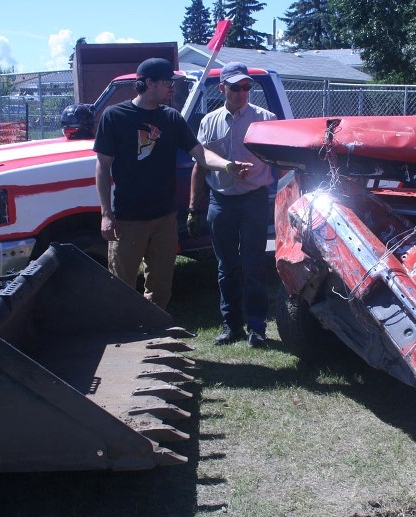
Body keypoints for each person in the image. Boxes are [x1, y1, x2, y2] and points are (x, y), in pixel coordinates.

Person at [94, 57, 251, 313]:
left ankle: (154, 334)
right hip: (127, 218)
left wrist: (227, 166)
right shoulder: (115, 116)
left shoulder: (171, 118)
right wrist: (105, 214)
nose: (172, 88)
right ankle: (123, 338)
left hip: (164, 218)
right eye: (167, 82)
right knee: (121, 285)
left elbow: (199, 153)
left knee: (161, 286)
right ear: (148, 83)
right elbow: (102, 166)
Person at [188, 62, 278, 348]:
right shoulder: (209, 121)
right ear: (222, 88)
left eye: (247, 87)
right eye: (236, 87)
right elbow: (200, 165)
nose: (242, 92)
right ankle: (231, 326)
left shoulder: (267, 119)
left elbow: (282, 163)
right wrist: (193, 208)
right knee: (226, 266)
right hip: (221, 202)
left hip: (254, 200)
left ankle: (257, 327)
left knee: (254, 265)